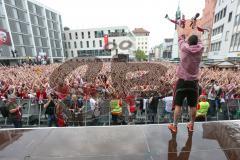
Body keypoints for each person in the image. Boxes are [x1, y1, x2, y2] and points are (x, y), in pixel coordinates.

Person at [168, 28, 204, 133]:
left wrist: (180, 27)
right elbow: (199, 39)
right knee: (192, 105)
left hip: (182, 81)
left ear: (188, 42)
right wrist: (194, 27)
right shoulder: (201, 48)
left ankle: (174, 126)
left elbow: (180, 38)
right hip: (194, 82)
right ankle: (191, 125)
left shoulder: (184, 48)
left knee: (178, 104)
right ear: (197, 42)